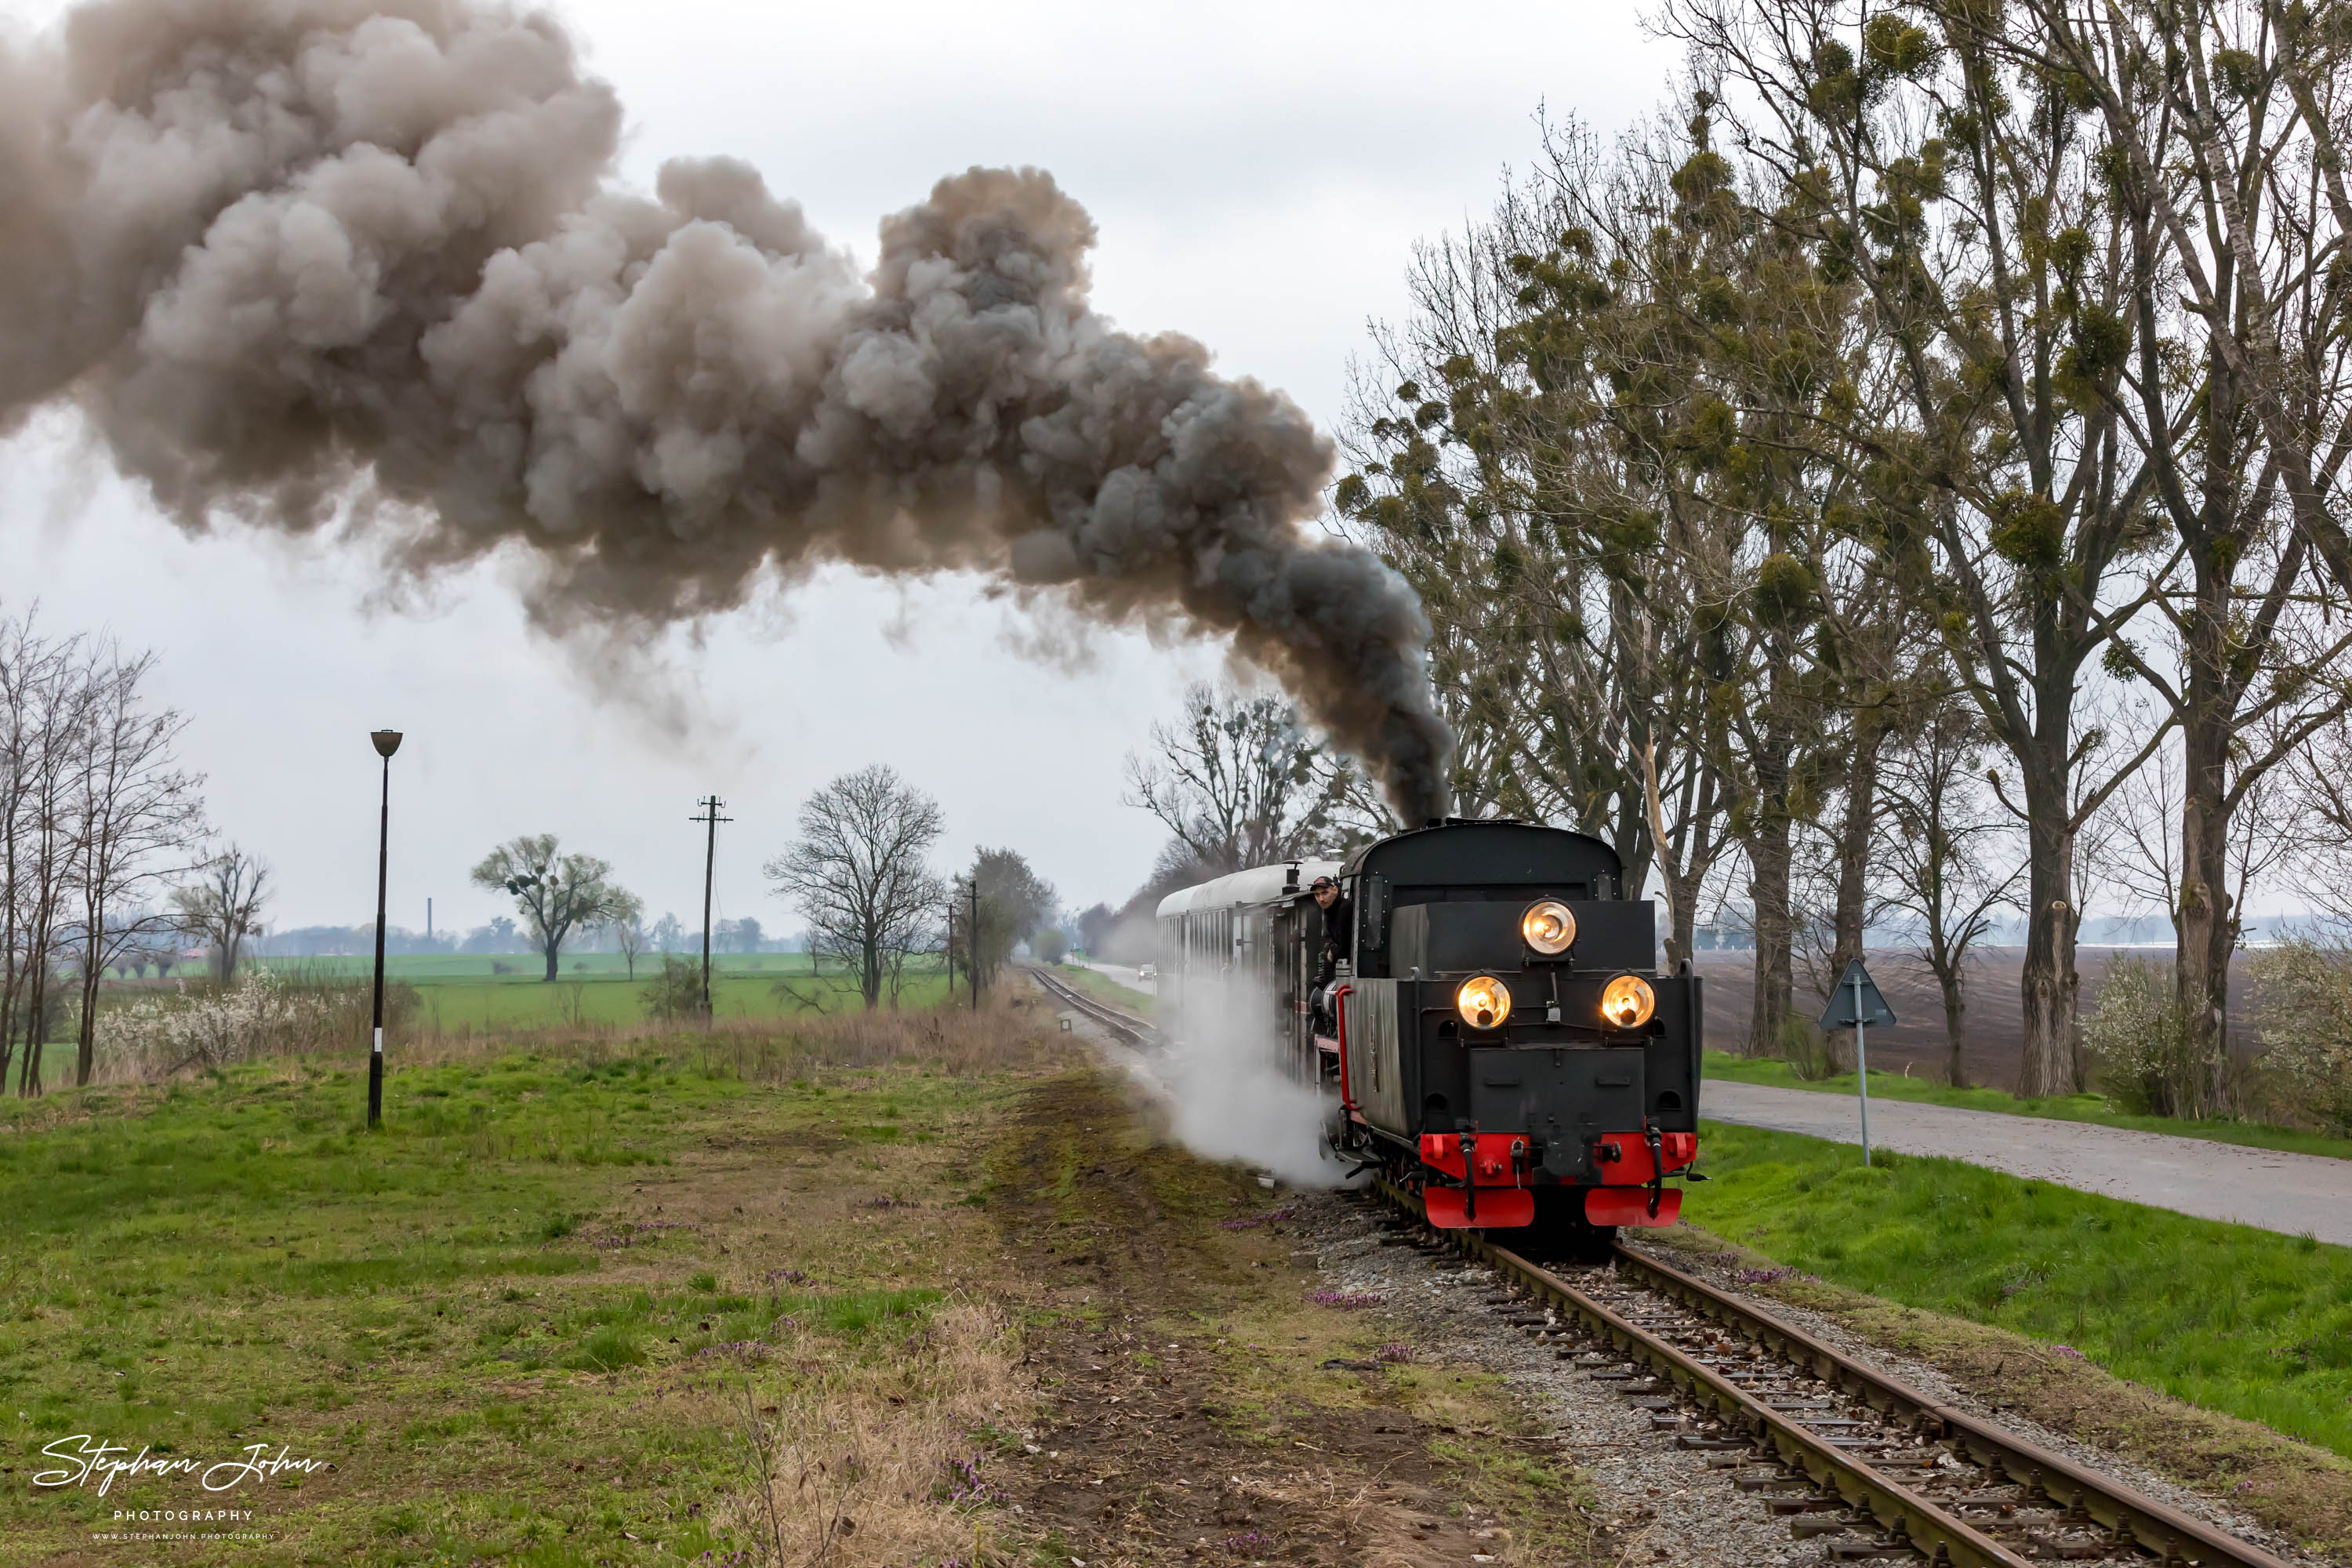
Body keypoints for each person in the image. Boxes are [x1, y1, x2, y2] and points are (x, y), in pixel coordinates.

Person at [1309, 874, 1352, 1035]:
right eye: (1317, 895)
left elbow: (1345, 948)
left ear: (1335, 890)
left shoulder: (1344, 910)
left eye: (1324, 893)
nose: (1321, 899)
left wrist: (1332, 952)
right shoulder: (1329, 912)